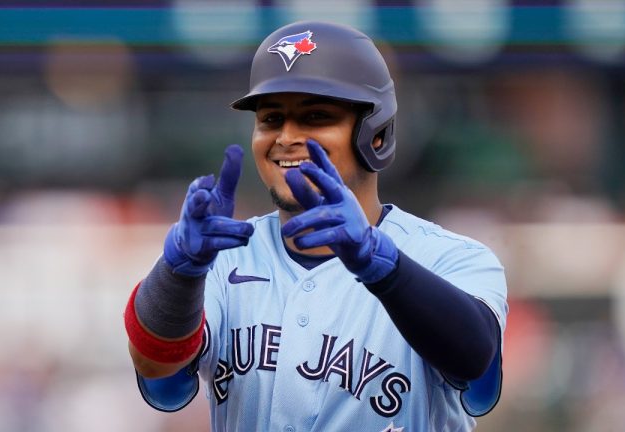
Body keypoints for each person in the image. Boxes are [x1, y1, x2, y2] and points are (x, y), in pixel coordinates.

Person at [124, 20, 507, 431]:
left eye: (316, 116)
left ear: (375, 135)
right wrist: (178, 274)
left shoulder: (450, 256)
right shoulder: (222, 259)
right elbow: (159, 373)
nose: (287, 137)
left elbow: (475, 361)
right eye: (271, 119)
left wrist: (387, 269)